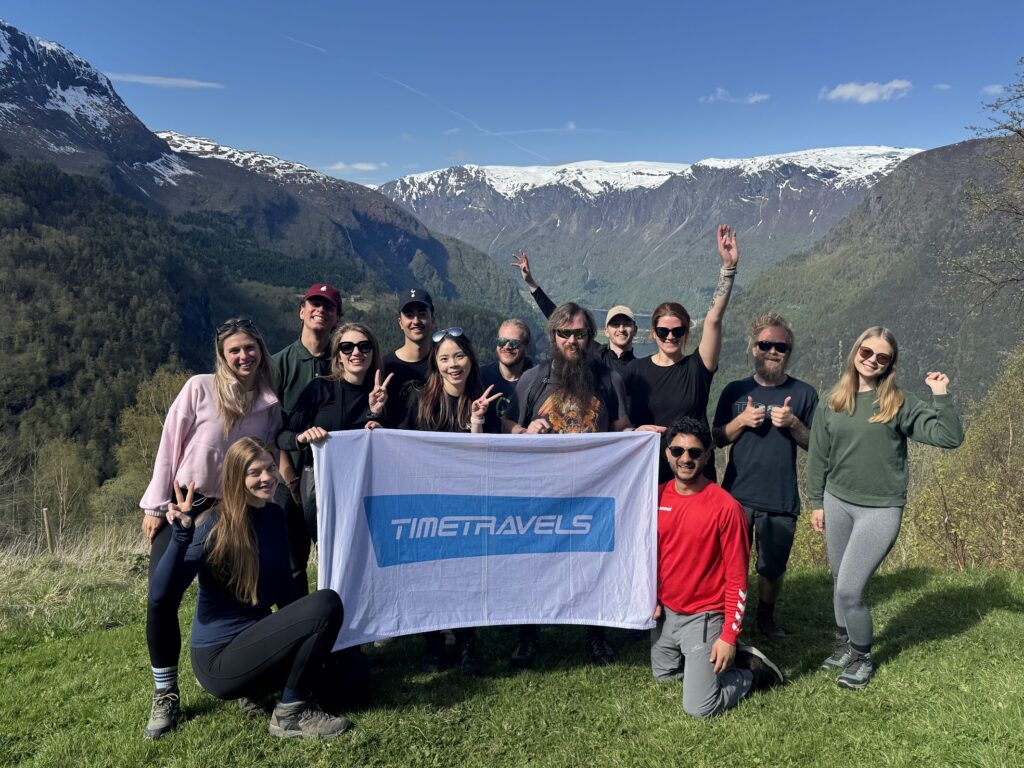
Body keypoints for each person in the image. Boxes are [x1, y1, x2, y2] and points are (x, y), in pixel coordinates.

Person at [150, 438, 352, 739]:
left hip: (257, 642)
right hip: (219, 660)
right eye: (255, 472)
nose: (268, 477)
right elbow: (160, 597)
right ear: (236, 478)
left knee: (353, 680)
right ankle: (290, 712)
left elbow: (286, 593)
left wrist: (315, 641)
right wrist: (181, 536)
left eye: (271, 467)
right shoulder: (215, 525)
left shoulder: (273, 516)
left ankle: (258, 692)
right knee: (327, 604)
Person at [140, 318, 281, 739]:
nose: (244, 356)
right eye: (234, 350)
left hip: (235, 512)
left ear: (261, 350)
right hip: (184, 505)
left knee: (238, 595)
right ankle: (165, 692)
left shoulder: (269, 402)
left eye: (250, 348)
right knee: (161, 599)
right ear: (222, 355)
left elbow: (265, 456)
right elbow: (170, 444)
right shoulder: (199, 388)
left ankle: (240, 678)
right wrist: (155, 504)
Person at [807, 326, 963, 690]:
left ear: (891, 364)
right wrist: (817, 502)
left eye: (882, 357)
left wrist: (941, 396)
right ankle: (844, 644)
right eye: (867, 352)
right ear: (855, 351)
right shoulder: (833, 400)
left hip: (879, 510)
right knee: (838, 580)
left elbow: (950, 437)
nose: (872, 361)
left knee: (849, 590)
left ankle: (862, 657)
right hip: (837, 501)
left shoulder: (897, 403)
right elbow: (818, 456)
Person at [505, 302, 660, 667]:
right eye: (564, 333)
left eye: (579, 334)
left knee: (595, 563)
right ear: (553, 336)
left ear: (590, 337)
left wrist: (639, 435)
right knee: (534, 562)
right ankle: (528, 635)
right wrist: (525, 430)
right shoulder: (533, 379)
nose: (572, 341)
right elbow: (508, 425)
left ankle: (596, 633)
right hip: (541, 492)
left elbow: (621, 427)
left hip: (594, 491)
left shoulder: (609, 379)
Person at [652, 417, 784, 718]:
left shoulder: (725, 507)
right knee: (664, 677)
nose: (686, 459)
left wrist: (728, 635)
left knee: (700, 707)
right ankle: (708, 661)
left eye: (695, 452)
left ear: (708, 456)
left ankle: (752, 673)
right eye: (678, 451)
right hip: (668, 612)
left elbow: (738, 577)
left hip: (704, 614)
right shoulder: (657, 496)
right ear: (667, 454)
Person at [395, 327, 502, 674]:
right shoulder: (419, 400)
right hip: (428, 502)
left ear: (470, 359)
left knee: (465, 574)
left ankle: (467, 641)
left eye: (459, 356)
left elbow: (490, 457)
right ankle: (433, 642)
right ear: (435, 364)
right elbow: (398, 444)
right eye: (444, 358)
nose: (453, 364)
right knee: (429, 573)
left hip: (469, 503)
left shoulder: (485, 400)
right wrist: (373, 422)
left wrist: (477, 422)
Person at [712, 313, 818, 639]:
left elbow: (815, 444)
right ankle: (731, 621)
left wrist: (794, 423)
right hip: (736, 496)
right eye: (766, 344)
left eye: (780, 347)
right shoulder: (735, 390)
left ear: (789, 351)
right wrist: (741, 421)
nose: (773, 351)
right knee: (731, 566)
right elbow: (716, 437)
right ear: (754, 348)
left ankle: (766, 619)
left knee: (772, 568)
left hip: (780, 497)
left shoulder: (804, 394)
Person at [625, 224, 740, 483]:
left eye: (678, 331)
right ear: (653, 333)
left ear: (687, 333)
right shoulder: (635, 371)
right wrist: (634, 431)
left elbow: (713, 320)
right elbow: (620, 422)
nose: (670, 337)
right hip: (649, 474)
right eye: (663, 331)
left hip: (695, 473)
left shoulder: (698, 368)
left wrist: (728, 269)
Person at [277, 323, 393, 542]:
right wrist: (302, 438)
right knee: (328, 549)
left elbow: (394, 446)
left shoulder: (384, 395)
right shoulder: (319, 389)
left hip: (367, 487)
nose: (356, 352)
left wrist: (375, 415)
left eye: (364, 346)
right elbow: (283, 436)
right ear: (338, 356)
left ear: (372, 352)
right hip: (322, 485)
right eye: (347, 347)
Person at [272, 284, 343, 595]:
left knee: (337, 555)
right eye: (314, 303)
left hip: (334, 478)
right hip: (287, 476)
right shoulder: (278, 365)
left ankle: (340, 629)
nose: (320, 310)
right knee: (292, 562)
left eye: (328, 306)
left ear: (336, 317)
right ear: (301, 311)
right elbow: (269, 426)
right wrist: (289, 479)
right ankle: (298, 632)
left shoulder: (343, 361)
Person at [512, 250, 637, 377]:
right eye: (615, 324)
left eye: (626, 324)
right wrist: (531, 283)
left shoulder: (641, 370)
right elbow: (558, 318)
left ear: (635, 330)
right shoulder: (597, 353)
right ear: (606, 331)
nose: (621, 329)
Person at [383, 287, 436, 405]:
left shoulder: (443, 363)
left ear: (432, 319)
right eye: (409, 315)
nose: (416, 321)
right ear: (400, 322)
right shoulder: (385, 366)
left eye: (422, 314)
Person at [479, 318, 534, 425]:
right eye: (502, 341)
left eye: (514, 342)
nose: (507, 346)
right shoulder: (480, 376)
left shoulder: (536, 381)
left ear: (527, 348)